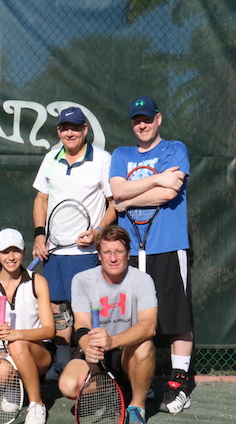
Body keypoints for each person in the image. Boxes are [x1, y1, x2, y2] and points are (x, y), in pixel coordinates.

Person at [110, 97, 193, 414]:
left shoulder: (175, 149)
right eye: (136, 120)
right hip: (129, 252)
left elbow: (169, 193)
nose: (142, 125)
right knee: (129, 319)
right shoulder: (122, 155)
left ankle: (179, 384)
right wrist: (157, 178)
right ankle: (133, 383)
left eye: (147, 118)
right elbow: (117, 192)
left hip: (168, 247)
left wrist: (128, 198)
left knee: (177, 319)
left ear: (158, 119)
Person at [32, 106, 117, 379]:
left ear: (85, 130)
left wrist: (99, 231)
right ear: (59, 131)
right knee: (57, 308)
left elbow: (113, 203)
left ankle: (92, 364)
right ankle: (62, 361)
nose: (70, 133)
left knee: (88, 309)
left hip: (87, 252)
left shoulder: (102, 159)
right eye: (65, 128)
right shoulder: (50, 158)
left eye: (75, 128)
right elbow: (41, 199)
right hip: (54, 251)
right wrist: (39, 234)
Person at [58, 225, 158, 424]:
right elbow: (81, 324)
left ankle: (137, 405)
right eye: (107, 252)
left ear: (128, 254)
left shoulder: (142, 280)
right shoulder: (82, 280)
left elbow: (149, 325)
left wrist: (112, 341)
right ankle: (115, 388)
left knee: (145, 346)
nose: (113, 258)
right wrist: (89, 348)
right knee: (68, 386)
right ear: (99, 255)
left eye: (119, 252)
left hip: (127, 352)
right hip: (97, 354)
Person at [0, 228, 55, 424]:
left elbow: (49, 330)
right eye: (5, 251)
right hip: (3, 354)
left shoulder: (38, 282)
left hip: (39, 353)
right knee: (0, 372)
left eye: (16, 251)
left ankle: (37, 404)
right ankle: (13, 387)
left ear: (24, 252)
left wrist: (16, 335)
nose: (11, 257)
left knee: (17, 345)